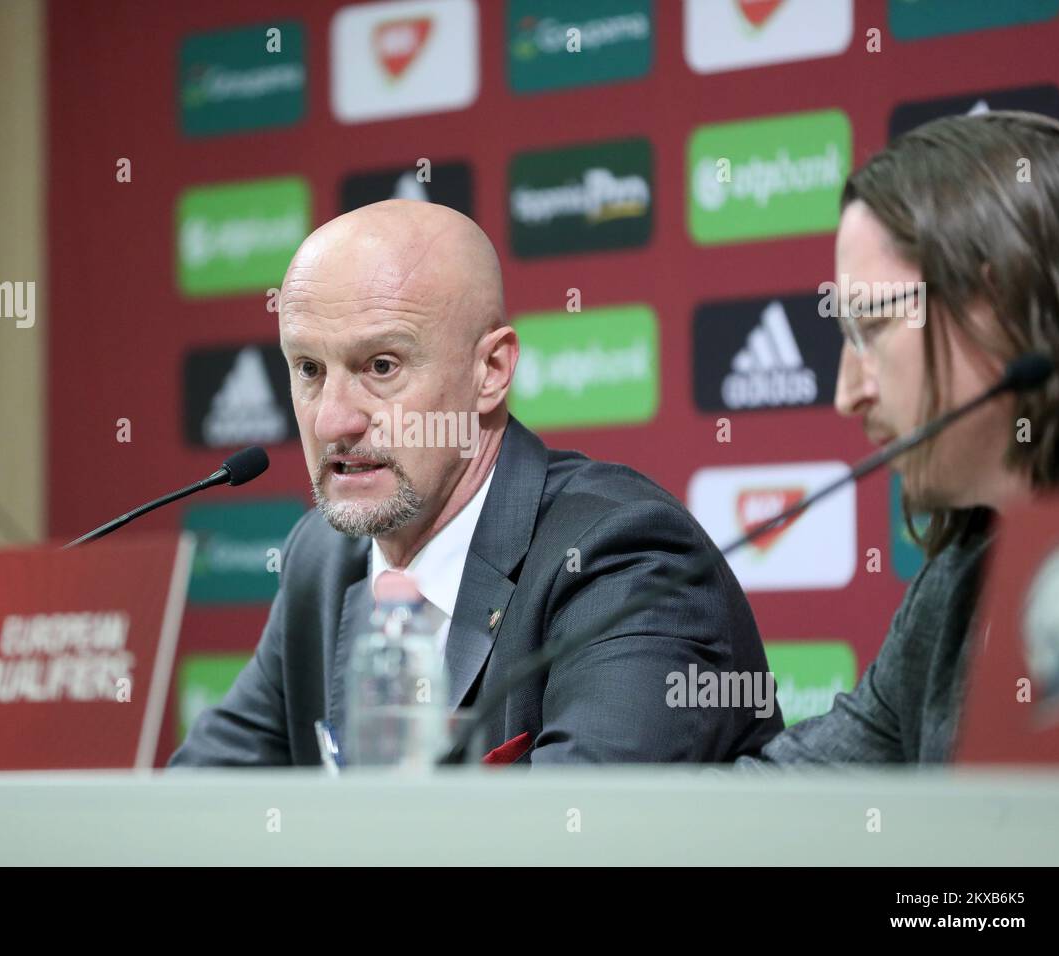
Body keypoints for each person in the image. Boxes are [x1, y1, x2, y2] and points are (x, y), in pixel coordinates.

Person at [171, 199, 780, 766]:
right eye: (308, 369)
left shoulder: (622, 557)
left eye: (381, 366)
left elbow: (580, 837)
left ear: (490, 371)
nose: (333, 419)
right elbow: (197, 807)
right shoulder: (324, 560)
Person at [741, 111, 1059, 765]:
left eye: (870, 323)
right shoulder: (960, 580)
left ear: (1002, 302)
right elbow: (801, 795)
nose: (847, 394)